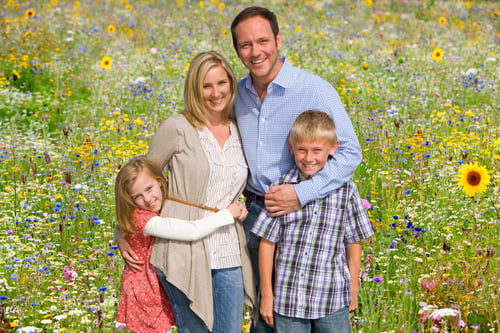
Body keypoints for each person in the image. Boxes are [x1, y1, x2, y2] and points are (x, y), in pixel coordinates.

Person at [230, 6, 363, 332]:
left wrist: (301, 194)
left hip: (305, 218)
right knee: (266, 315)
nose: (255, 51)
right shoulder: (236, 95)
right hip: (254, 214)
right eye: (245, 45)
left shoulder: (313, 90)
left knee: (310, 314)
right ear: (237, 50)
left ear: (277, 39)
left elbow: (349, 152)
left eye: (262, 41)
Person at [115, 51, 257, 333]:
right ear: (194, 88)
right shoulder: (177, 127)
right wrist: (122, 231)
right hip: (183, 249)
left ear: (231, 83)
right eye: (206, 86)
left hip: (228, 246)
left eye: (221, 83)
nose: (216, 92)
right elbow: (138, 182)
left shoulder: (243, 128)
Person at [252, 110, 374, 332]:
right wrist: (267, 295)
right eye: (302, 150)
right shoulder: (281, 188)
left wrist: (353, 289)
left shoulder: (345, 190)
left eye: (317, 150)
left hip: (332, 298)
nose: (309, 158)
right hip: (289, 300)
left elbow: (354, 244)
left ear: (333, 148)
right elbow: (267, 244)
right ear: (292, 148)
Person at [114, 155, 247, 333]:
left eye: (149, 188)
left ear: (160, 181)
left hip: (155, 285)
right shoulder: (144, 219)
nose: (147, 198)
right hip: (145, 291)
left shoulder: (164, 204)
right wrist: (227, 214)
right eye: (138, 196)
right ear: (129, 200)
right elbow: (192, 230)